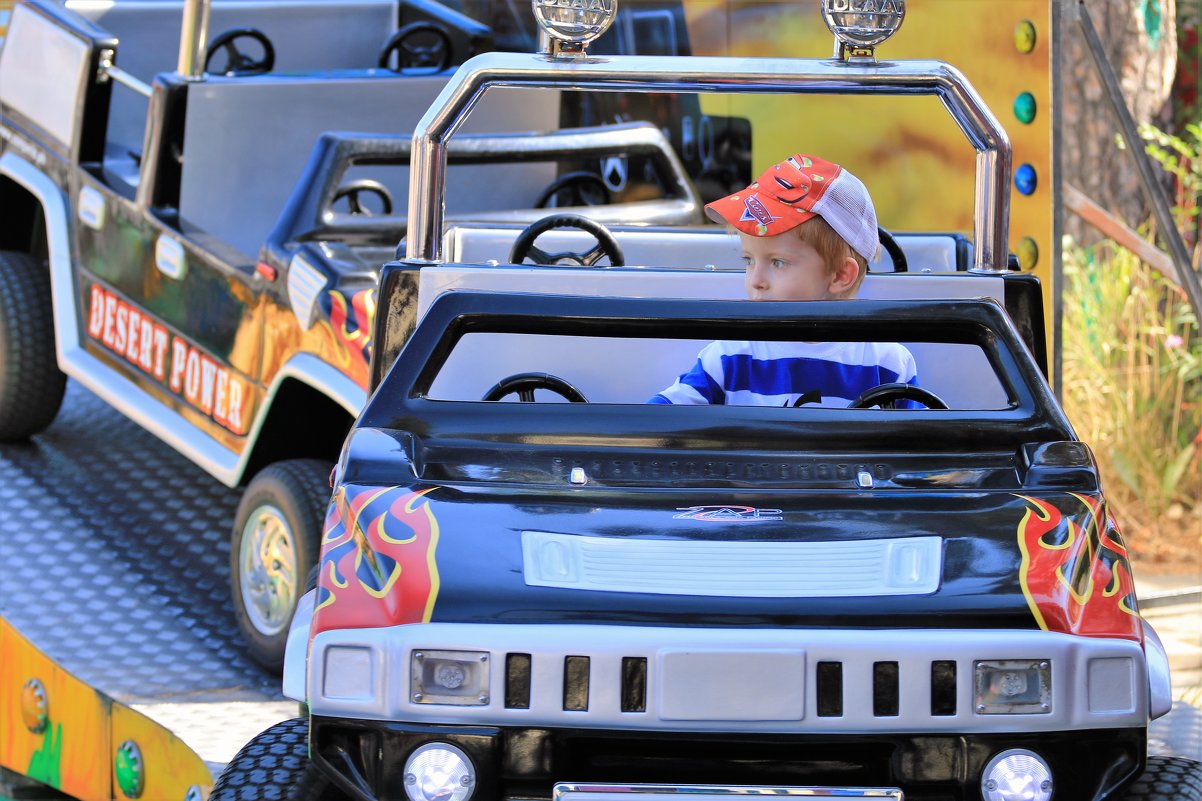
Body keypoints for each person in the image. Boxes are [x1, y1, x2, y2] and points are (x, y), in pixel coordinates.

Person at [649, 153, 919, 407]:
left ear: (839, 275)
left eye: (778, 262)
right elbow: (657, 422)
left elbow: (923, 449)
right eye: (749, 260)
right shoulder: (730, 356)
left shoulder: (887, 363)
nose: (755, 281)